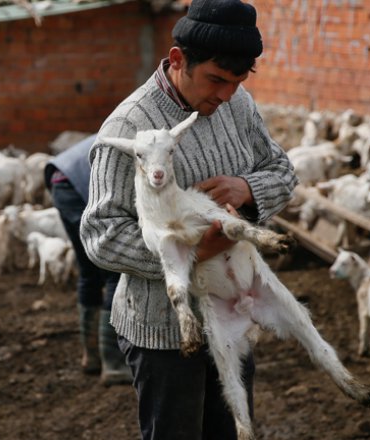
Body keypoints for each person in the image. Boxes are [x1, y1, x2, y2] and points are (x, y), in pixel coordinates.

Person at [80, 0, 299, 438]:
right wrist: (192, 251)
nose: (226, 95)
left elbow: (282, 171)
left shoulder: (236, 105)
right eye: (216, 80)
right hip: (164, 333)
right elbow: (101, 234)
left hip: (231, 317)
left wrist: (246, 187)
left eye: (238, 82)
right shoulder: (129, 127)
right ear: (178, 59)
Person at [44, 134, 132, 386]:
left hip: (61, 178)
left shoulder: (130, 124)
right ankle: (114, 364)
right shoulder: (148, 136)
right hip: (78, 184)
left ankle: (91, 356)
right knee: (116, 269)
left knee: (89, 272)